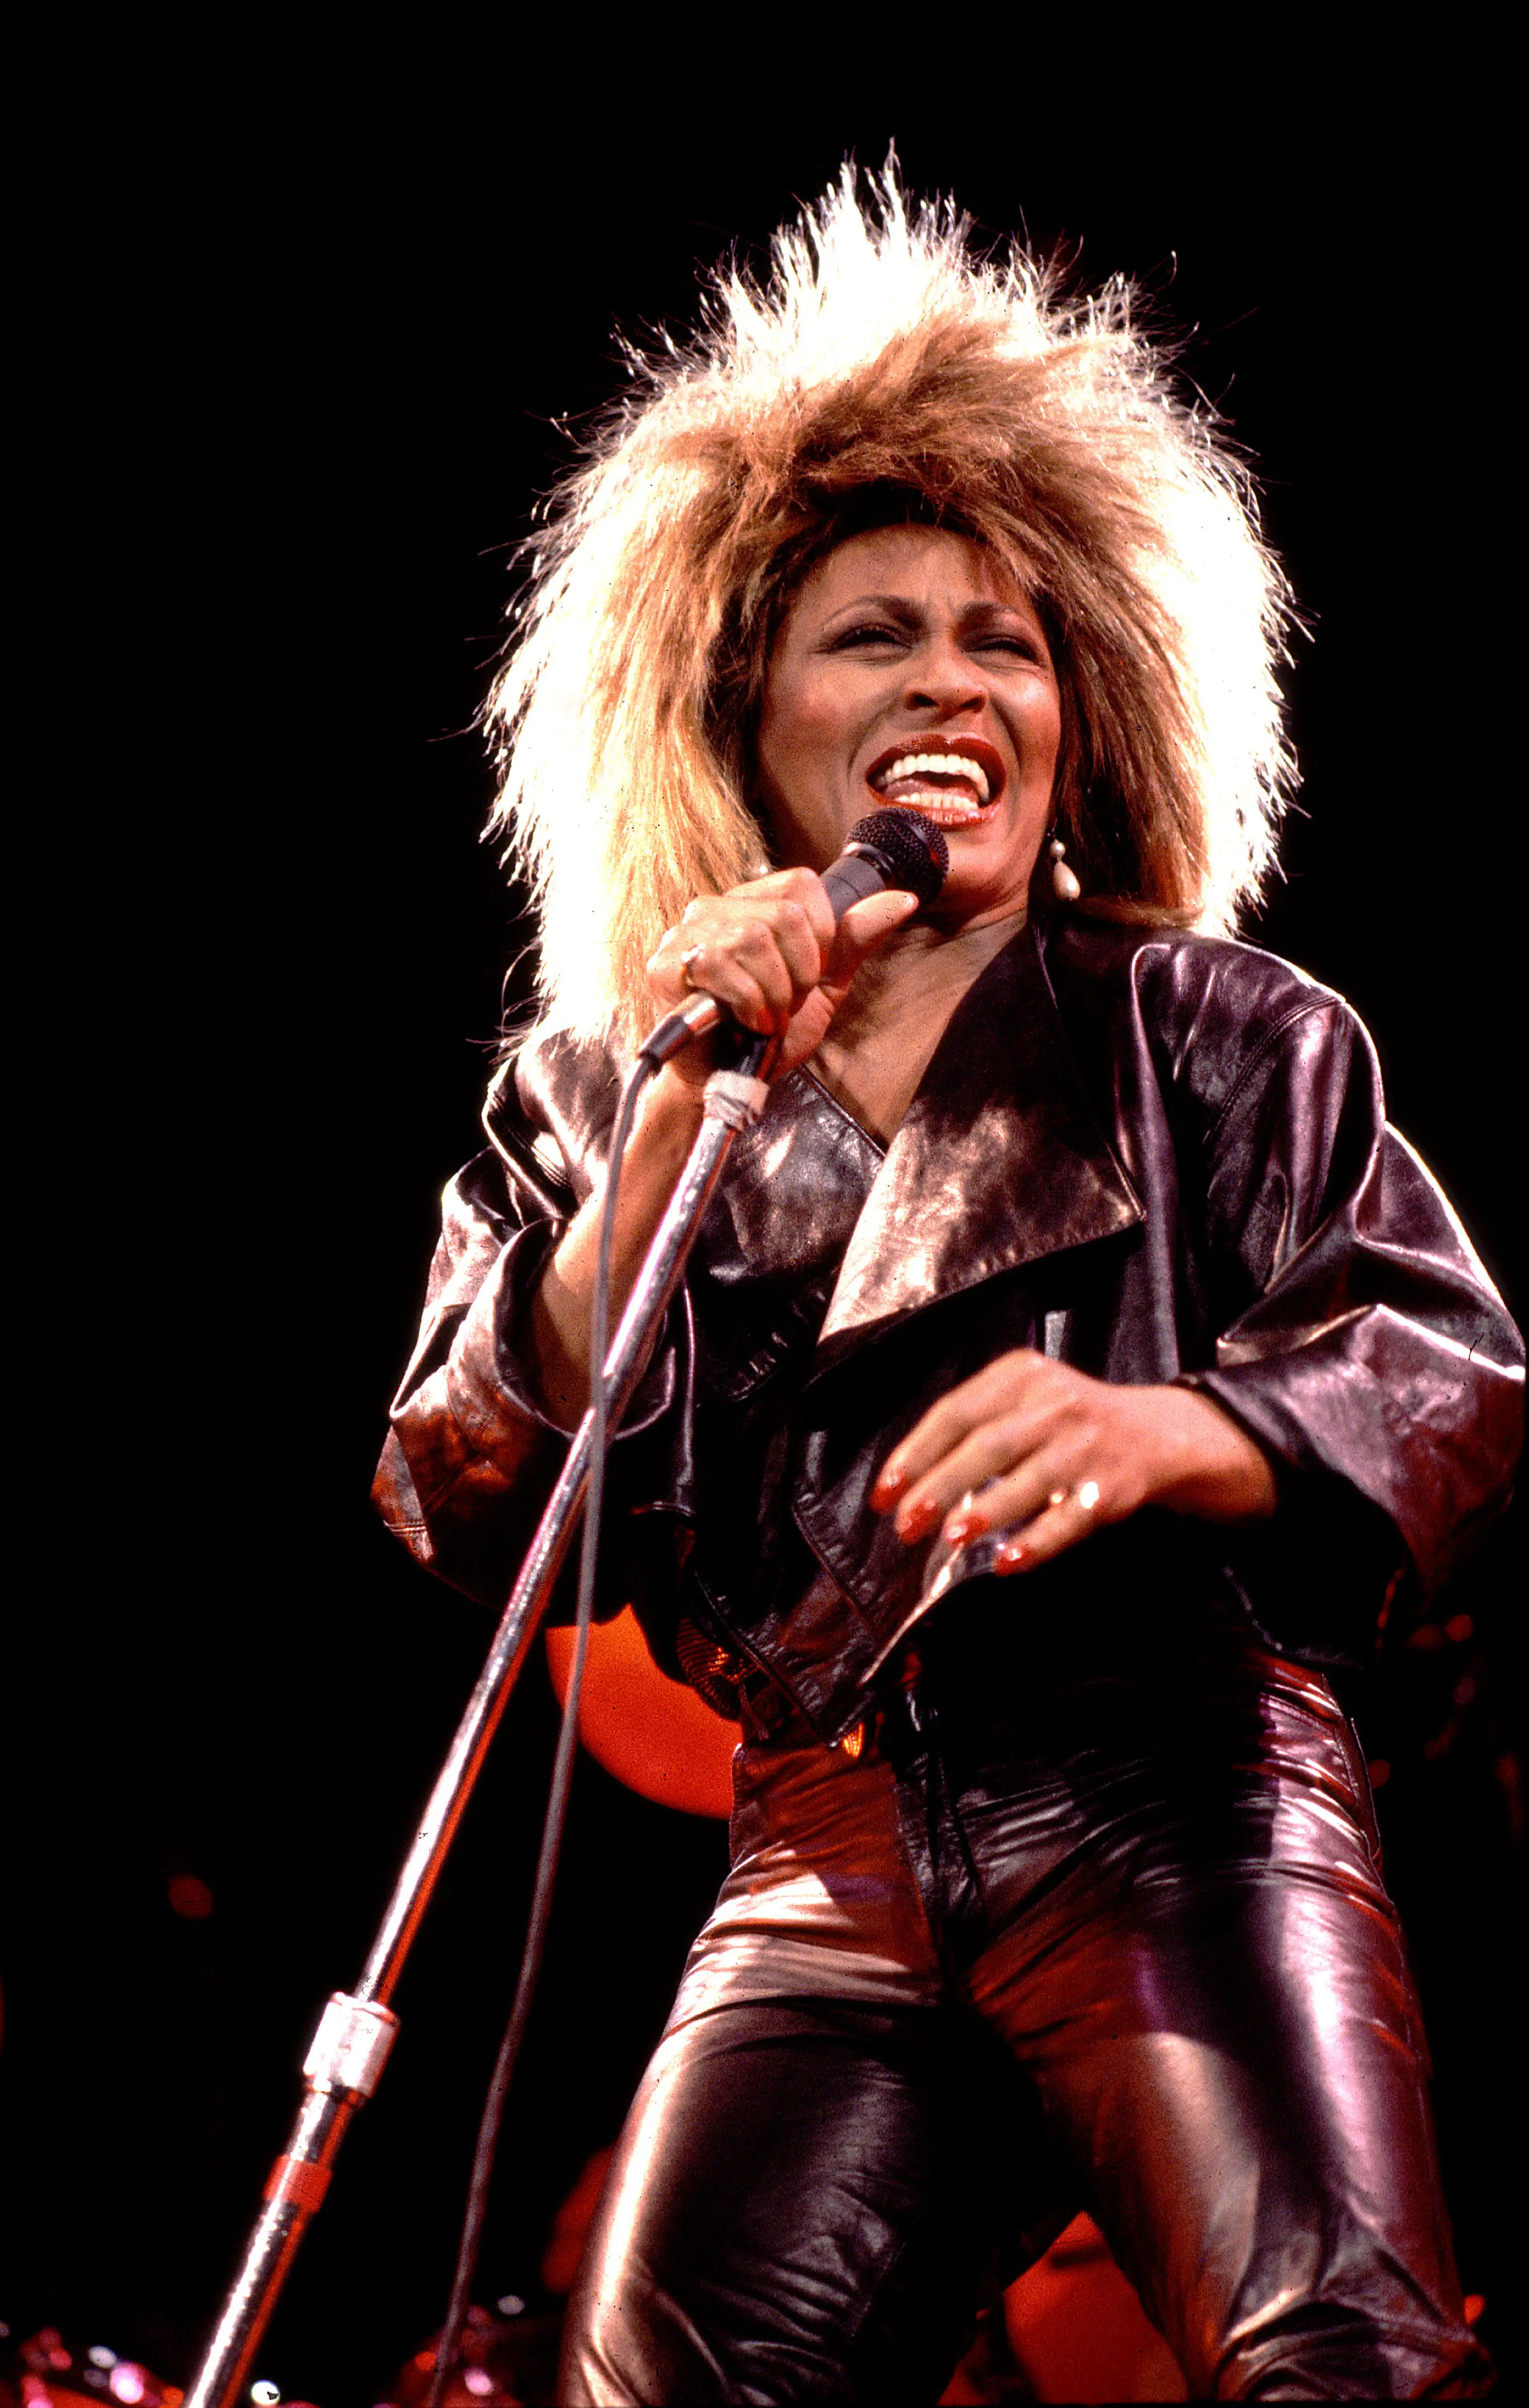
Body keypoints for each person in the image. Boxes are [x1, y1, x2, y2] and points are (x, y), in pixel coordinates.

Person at [374, 168, 1521, 2401]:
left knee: (1340, 2358)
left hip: (1178, 1795)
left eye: (1007, 641)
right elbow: (452, 1480)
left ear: (1082, 713)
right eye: (874, 635)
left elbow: (1445, 1367)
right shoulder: (609, 1092)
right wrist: (671, 1139)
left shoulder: (1218, 1030)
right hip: (822, 1861)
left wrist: (1180, 1426)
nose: (950, 682)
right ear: (743, 712)